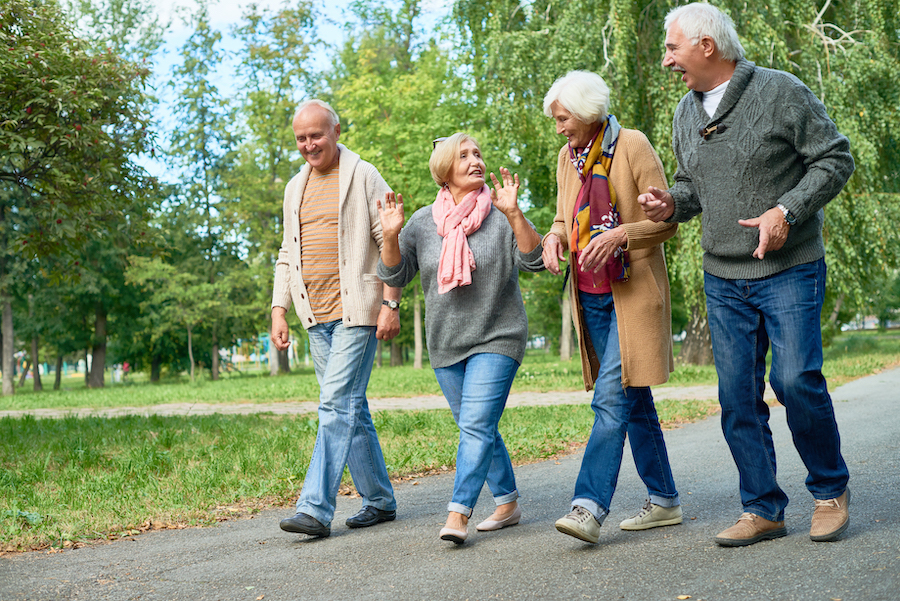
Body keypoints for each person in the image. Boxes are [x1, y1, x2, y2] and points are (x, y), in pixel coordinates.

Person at [639, 3, 854, 546]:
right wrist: (671, 204)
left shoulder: (781, 91)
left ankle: (830, 490)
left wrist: (787, 211)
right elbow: (693, 189)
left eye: (672, 48)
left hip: (789, 268)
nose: (667, 61)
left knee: (795, 381)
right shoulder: (686, 113)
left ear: (707, 47)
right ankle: (762, 507)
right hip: (724, 276)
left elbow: (834, 159)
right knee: (737, 396)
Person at [377, 133, 544, 544]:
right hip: (446, 342)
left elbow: (535, 260)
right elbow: (396, 276)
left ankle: (458, 513)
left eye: (479, 154)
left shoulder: (502, 211)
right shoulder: (420, 222)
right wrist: (392, 237)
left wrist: (516, 215)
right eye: (464, 155)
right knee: (478, 426)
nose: (476, 160)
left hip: (498, 335)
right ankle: (507, 503)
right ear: (444, 170)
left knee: (474, 424)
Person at [540, 71, 682, 545]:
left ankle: (588, 507)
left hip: (632, 295)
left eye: (562, 118)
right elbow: (564, 217)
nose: (558, 128)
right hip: (591, 297)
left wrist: (623, 233)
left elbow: (667, 221)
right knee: (632, 398)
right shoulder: (567, 157)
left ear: (586, 112)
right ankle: (664, 501)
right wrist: (554, 237)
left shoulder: (633, 145)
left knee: (609, 400)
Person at [272, 99, 401, 539]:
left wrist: (391, 302)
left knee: (334, 405)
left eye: (316, 135)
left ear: (336, 130)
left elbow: (390, 237)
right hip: (315, 315)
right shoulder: (294, 187)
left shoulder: (363, 175)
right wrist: (279, 309)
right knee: (351, 408)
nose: (309, 144)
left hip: (357, 311)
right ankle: (380, 500)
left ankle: (314, 508)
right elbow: (287, 254)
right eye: (301, 138)